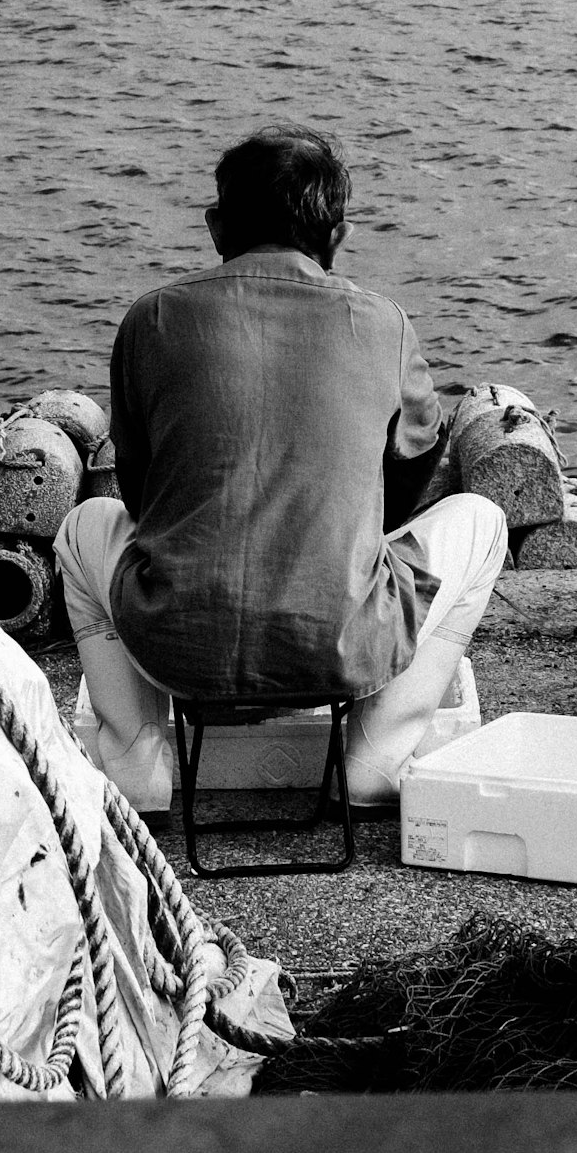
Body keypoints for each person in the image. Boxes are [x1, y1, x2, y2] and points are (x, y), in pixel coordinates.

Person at [53, 128, 509, 812]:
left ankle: (135, 753)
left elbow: (141, 497)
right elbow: (414, 471)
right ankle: (378, 752)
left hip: (176, 650)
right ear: (340, 234)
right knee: (484, 520)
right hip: (342, 647)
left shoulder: (150, 321)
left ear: (216, 227)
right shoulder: (384, 324)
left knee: (83, 524)